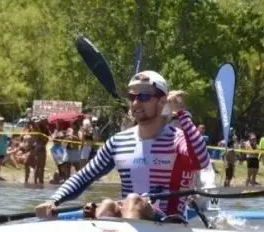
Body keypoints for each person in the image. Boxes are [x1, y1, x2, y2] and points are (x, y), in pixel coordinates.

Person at [34, 71, 210, 222]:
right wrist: (54, 200)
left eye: (144, 96)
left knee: (133, 200)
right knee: (107, 205)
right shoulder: (118, 142)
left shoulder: (177, 139)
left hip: (171, 222)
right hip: (130, 217)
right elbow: (84, 177)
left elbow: (201, 160)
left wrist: (182, 114)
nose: (135, 103)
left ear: (162, 102)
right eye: (132, 97)